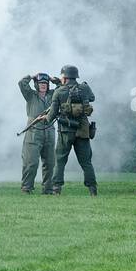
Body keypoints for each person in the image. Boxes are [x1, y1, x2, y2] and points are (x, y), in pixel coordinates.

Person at [42, 64, 97, 195]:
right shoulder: (84, 87)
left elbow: (52, 114)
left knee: (60, 160)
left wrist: (45, 118)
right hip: (83, 130)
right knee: (86, 162)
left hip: (65, 131)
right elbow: (92, 98)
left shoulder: (59, 91)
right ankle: (93, 189)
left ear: (65, 77)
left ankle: (56, 189)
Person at [18, 72, 56, 194]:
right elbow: (21, 83)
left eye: (45, 83)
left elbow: (64, 88)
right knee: (31, 162)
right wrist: (31, 76)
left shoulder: (53, 95)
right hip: (33, 131)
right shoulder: (30, 95)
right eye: (41, 83)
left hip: (49, 131)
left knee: (50, 163)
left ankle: (48, 189)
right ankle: (26, 188)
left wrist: (53, 80)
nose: (43, 85)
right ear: (36, 84)